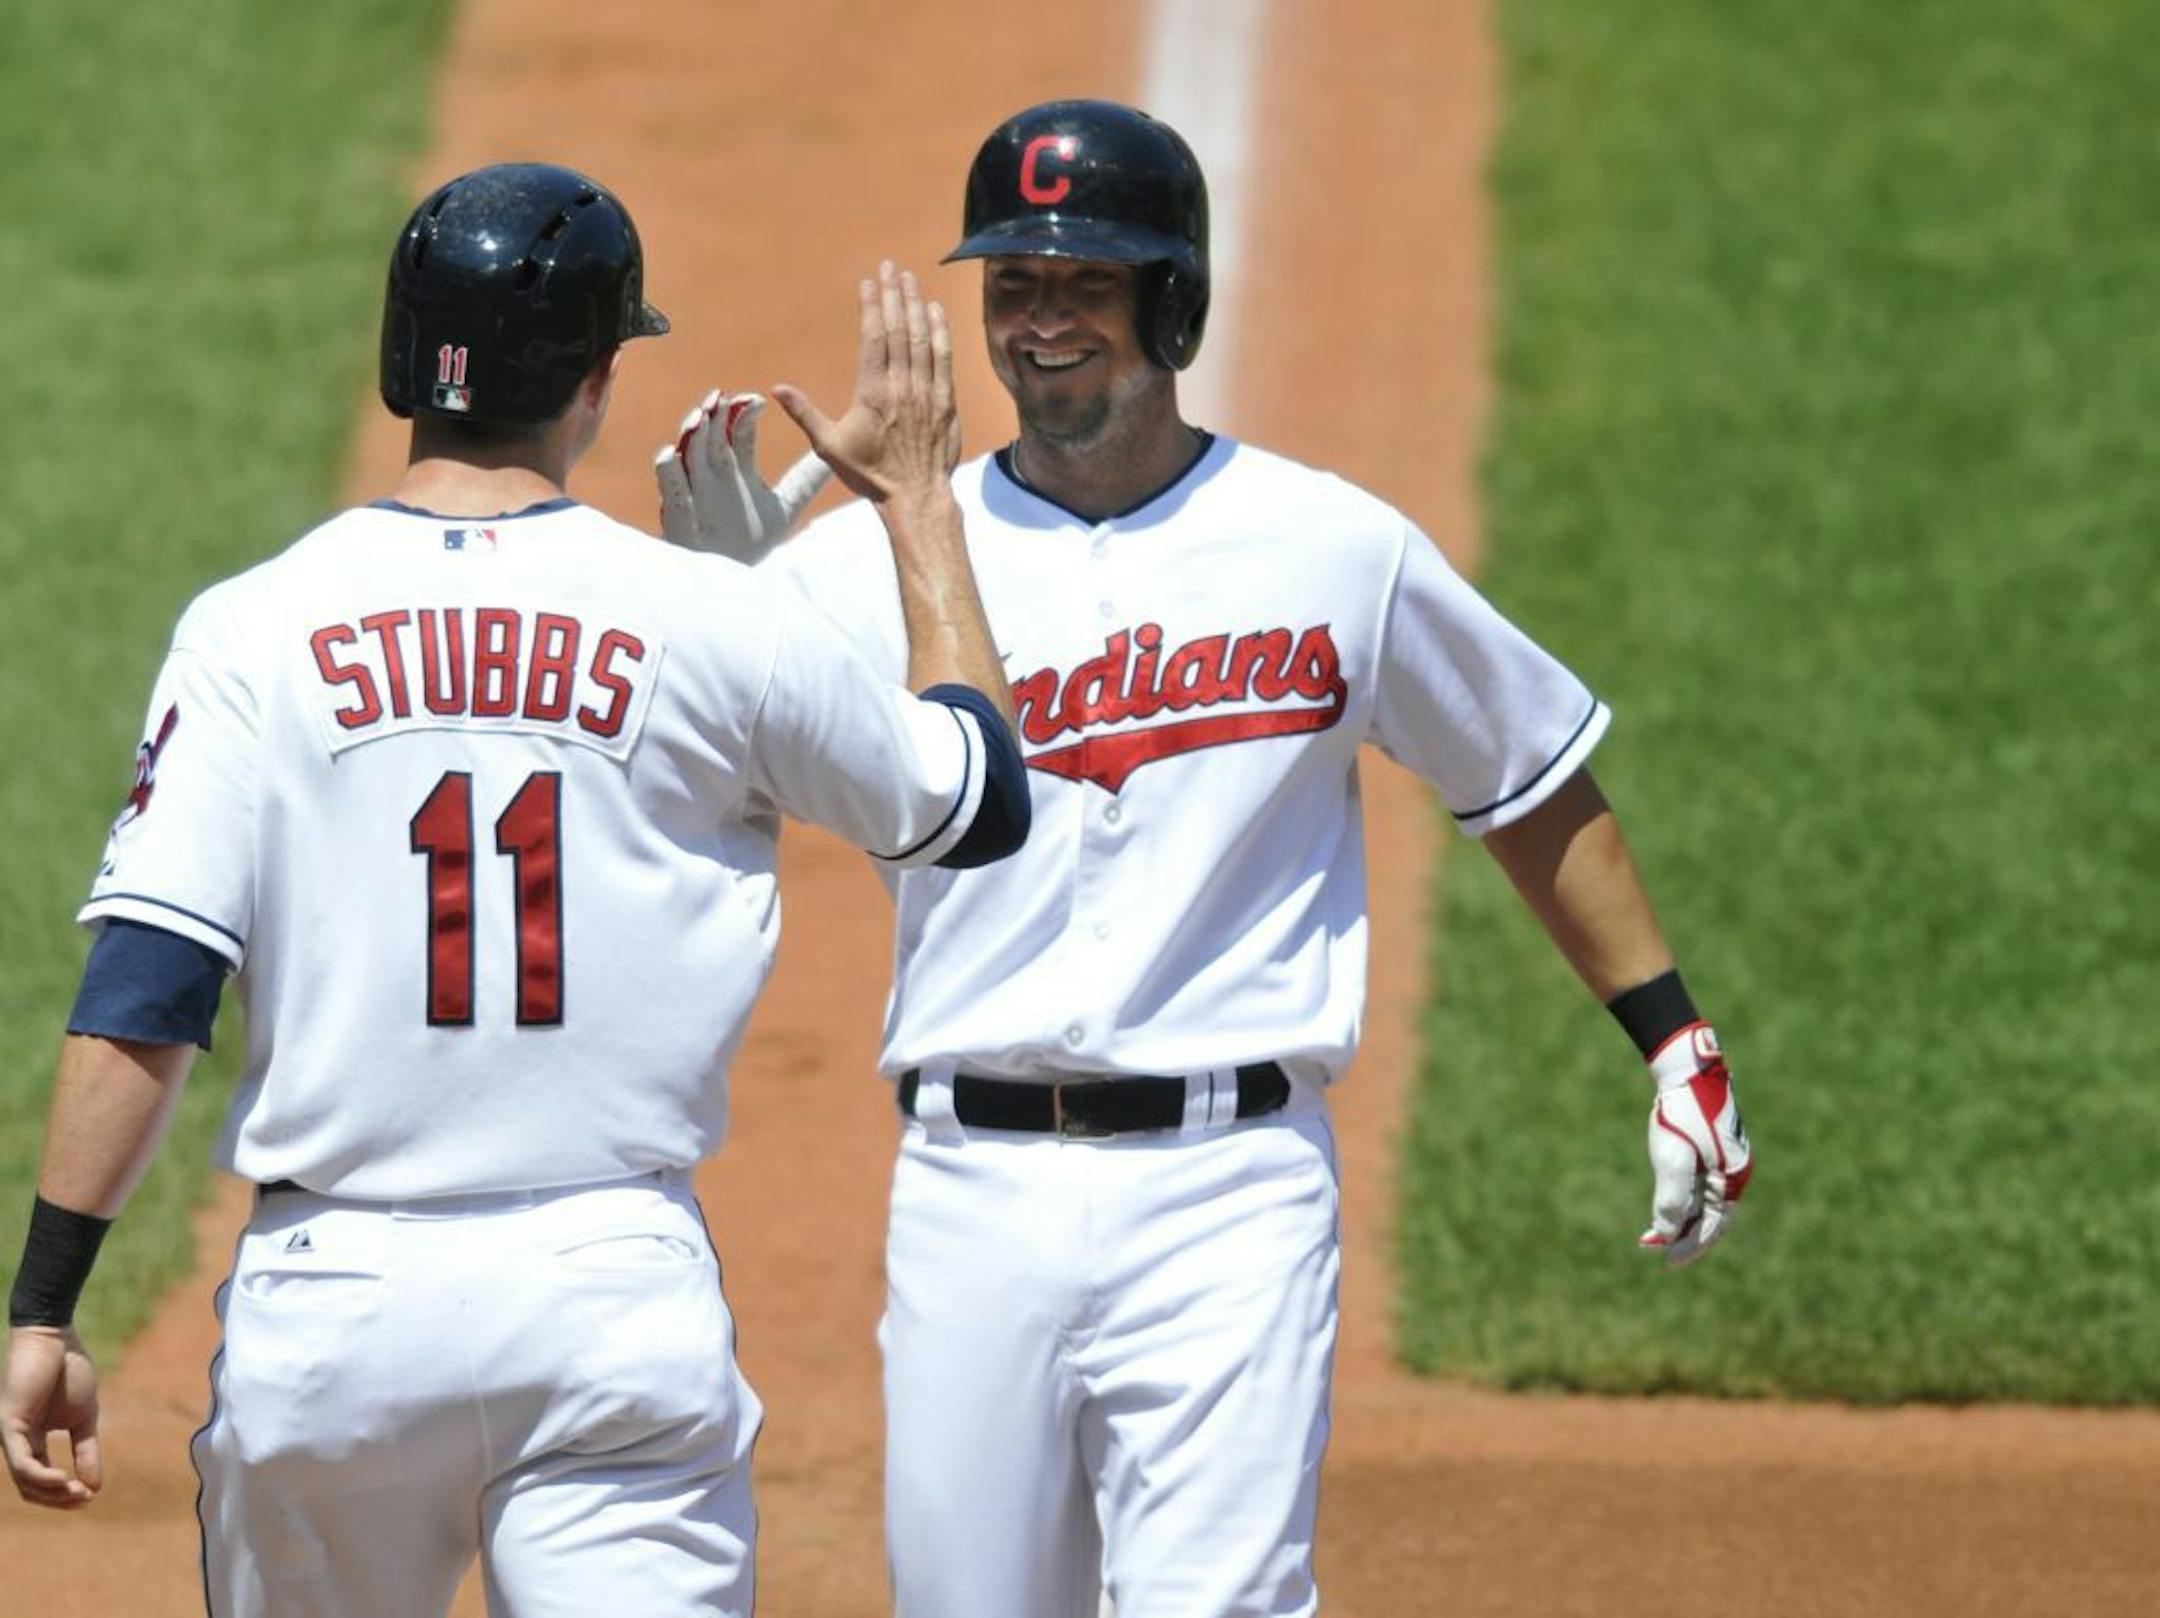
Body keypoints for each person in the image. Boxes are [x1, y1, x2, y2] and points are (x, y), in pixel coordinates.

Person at [655, 99, 1752, 1618]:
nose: (1040, 326)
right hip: (973, 1191)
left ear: (1172, 300)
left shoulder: (1331, 547)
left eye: (1083, 288)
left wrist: (1674, 1033)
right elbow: (661, 793)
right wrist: (709, 621)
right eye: (1015, 288)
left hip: (1231, 1195)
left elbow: (1527, 779)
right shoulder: (874, 567)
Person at [1, 161, 1026, 1618]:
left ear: (404, 361)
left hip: (333, 1305)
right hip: (610, 1290)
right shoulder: (712, 620)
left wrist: (45, 1298)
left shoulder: (251, 627)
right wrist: (917, 502)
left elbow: (147, 992)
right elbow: (978, 801)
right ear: (599, 379)